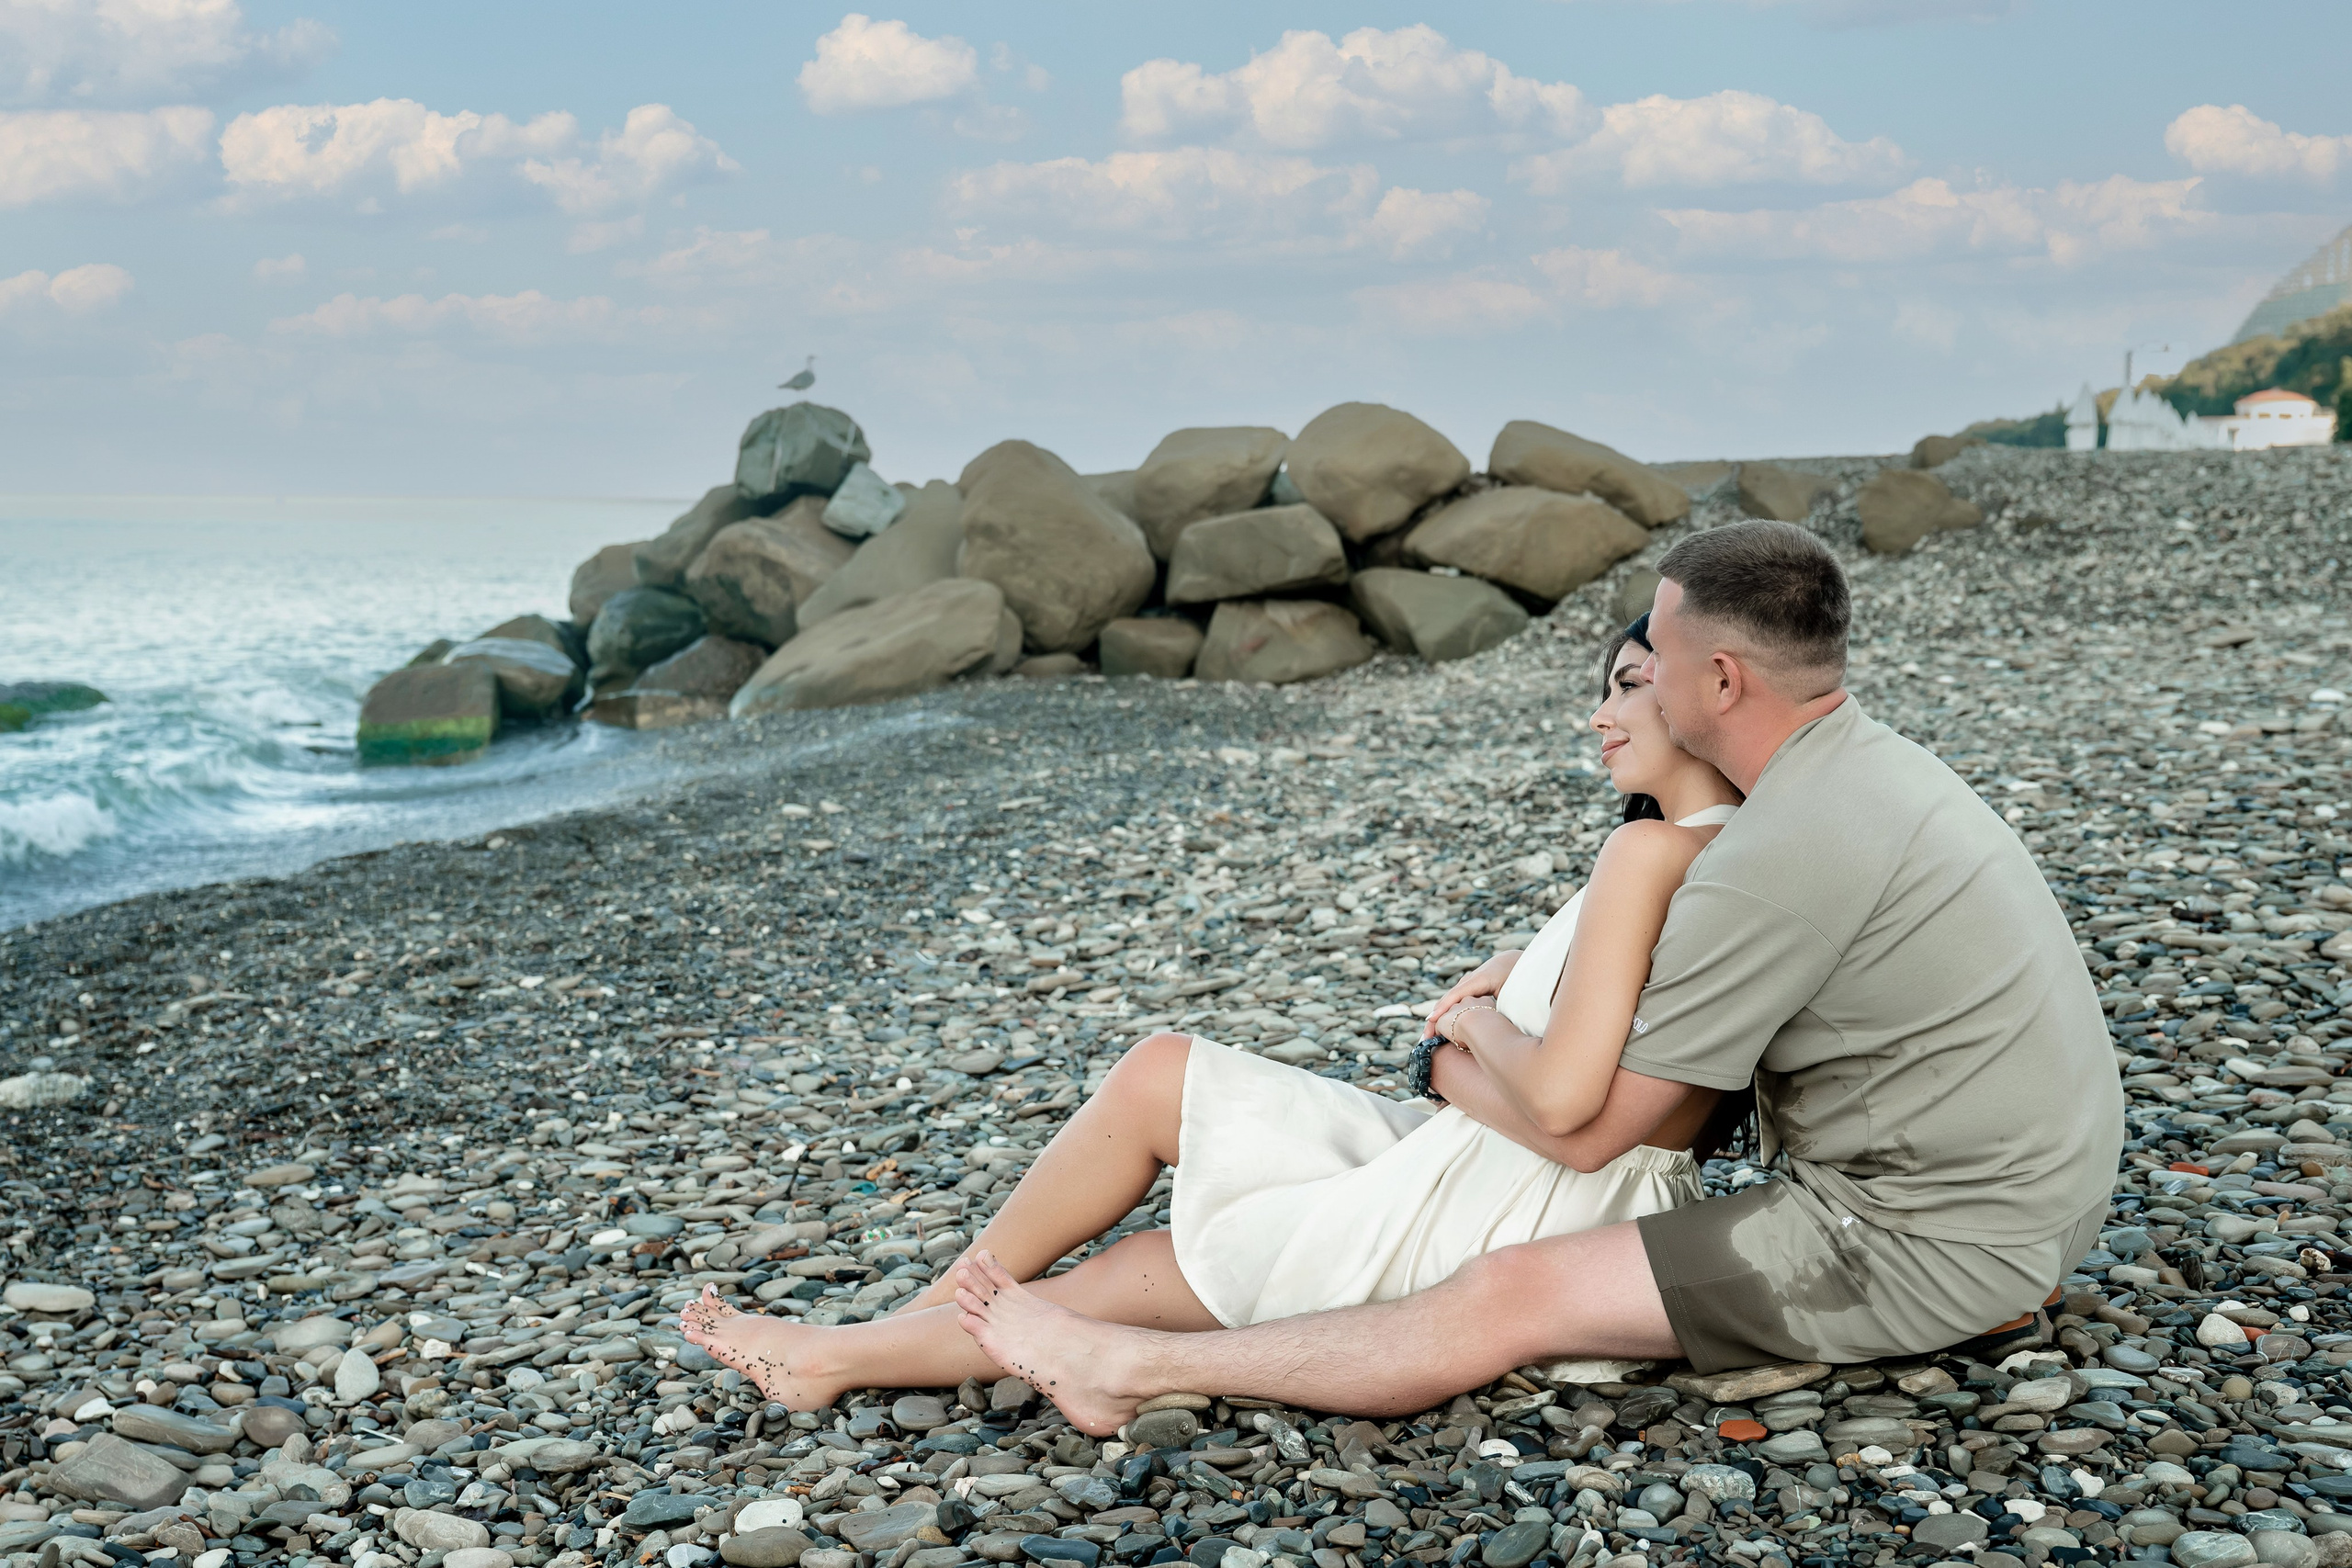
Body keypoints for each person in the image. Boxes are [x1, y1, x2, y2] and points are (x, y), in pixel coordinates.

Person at [949, 518, 2124, 1436]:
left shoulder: (1778, 854)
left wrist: (1457, 1039)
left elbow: (1590, 1131)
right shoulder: (1863, 769)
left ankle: (1131, 1365)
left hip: (1920, 1240)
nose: (1634, 685)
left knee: (1505, 1293)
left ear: (1719, 680)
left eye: (1654, 663)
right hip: (2034, 1204)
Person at [680, 611, 1749, 1405]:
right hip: (1516, 1167)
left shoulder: (1647, 851)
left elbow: (1563, 1101)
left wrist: (1463, 1035)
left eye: (1627, 685)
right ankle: (904, 1322)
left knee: (1151, 1270)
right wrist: (1518, 974)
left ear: (1703, 691)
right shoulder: (1722, 855)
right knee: (1162, 1072)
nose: (1600, 715)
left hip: (1524, 1196)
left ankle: (839, 1356)